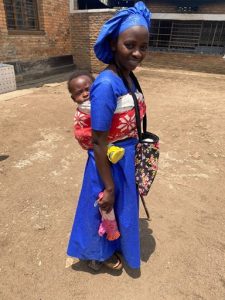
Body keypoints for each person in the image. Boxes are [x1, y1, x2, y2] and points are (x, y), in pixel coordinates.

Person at [67, 1, 151, 271]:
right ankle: (95, 254)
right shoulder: (105, 85)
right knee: (103, 206)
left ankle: (116, 246)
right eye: (130, 45)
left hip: (124, 159)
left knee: (121, 211)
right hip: (108, 161)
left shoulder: (127, 76)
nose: (137, 53)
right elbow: (99, 140)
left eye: (143, 47)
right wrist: (110, 186)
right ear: (114, 43)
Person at [67, 71, 125, 163]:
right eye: (79, 93)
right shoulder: (84, 107)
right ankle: (110, 149)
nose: (85, 94)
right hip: (94, 139)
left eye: (88, 89)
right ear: (73, 99)